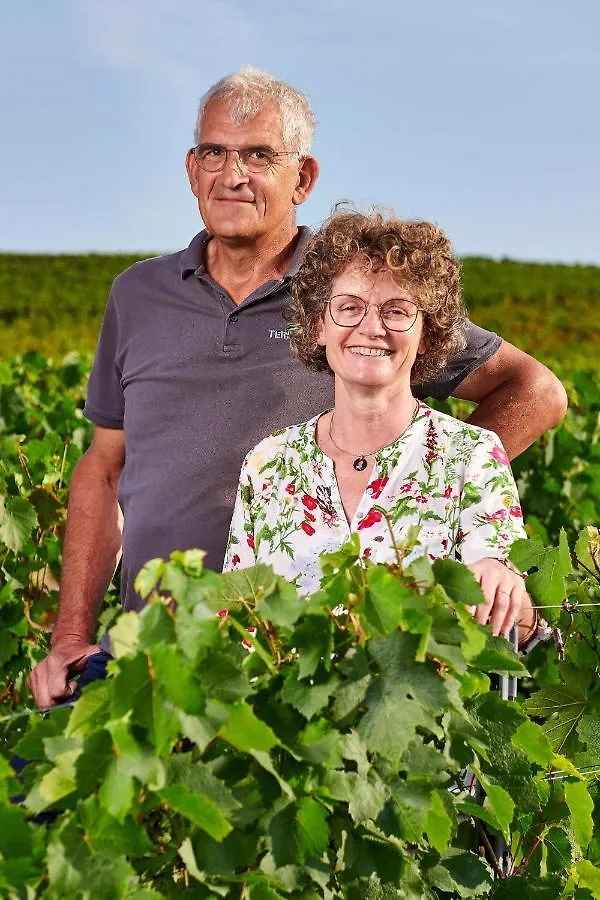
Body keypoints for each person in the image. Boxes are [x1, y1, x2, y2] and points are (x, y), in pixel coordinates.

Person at [28, 67, 561, 707]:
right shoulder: (137, 297)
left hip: (312, 667)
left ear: (302, 178)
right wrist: (70, 635)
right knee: (39, 798)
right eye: (214, 153)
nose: (233, 175)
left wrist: (423, 493)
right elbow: (104, 469)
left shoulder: (351, 288)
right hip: (152, 649)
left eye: (259, 155)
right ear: (191, 169)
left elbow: (536, 389)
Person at [224, 209, 536, 640]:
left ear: (427, 333)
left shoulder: (472, 455)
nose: (371, 328)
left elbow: (514, 624)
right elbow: (239, 629)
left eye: (396, 311)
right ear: (318, 326)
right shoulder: (267, 464)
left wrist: (499, 578)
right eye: (349, 307)